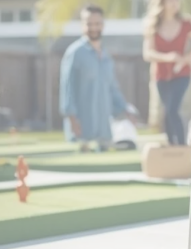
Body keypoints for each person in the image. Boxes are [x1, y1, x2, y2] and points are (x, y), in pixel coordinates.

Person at [59, 5, 137, 153]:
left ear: (103, 25)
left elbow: (113, 88)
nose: (93, 28)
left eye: (97, 23)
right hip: (82, 132)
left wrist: (125, 110)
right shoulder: (74, 53)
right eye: (89, 24)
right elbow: (67, 88)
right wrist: (72, 120)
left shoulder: (106, 56)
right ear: (82, 25)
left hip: (104, 133)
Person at [142, 0, 191, 146]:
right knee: (167, 112)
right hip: (161, 76)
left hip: (182, 74)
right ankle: (172, 147)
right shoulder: (152, 25)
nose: (175, 3)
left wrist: (185, 59)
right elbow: (147, 53)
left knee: (173, 109)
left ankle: (182, 146)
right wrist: (168, 57)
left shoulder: (186, 23)